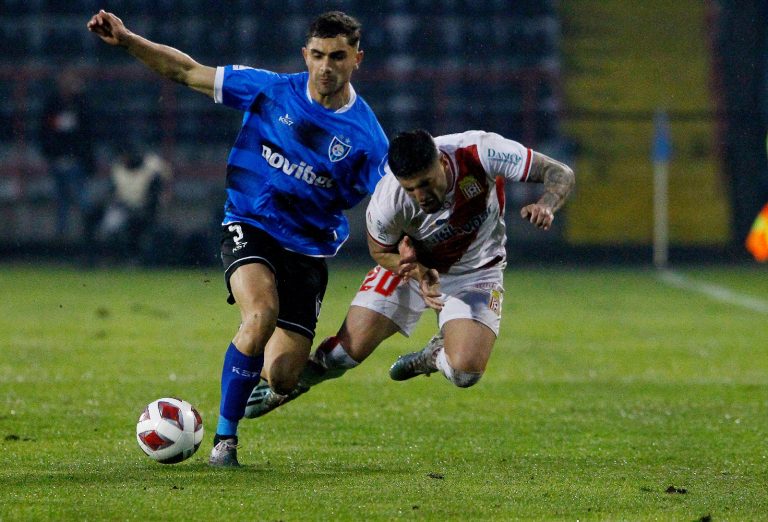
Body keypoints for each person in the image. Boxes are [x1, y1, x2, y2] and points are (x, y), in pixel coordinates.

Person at [87, 9, 388, 467]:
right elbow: (185, 70)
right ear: (305, 55)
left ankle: (273, 382)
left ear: (357, 60)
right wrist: (128, 40)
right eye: (319, 55)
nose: (327, 66)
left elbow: (389, 205)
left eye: (339, 57)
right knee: (260, 311)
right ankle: (225, 442)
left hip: (307, 249)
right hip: (249, 223)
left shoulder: (367, 137)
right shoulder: (270, 90)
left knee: (284, 376)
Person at [244, 128, 575, 417]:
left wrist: (546, 204)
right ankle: (291, 385)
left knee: (465, 373)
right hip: (412, 268)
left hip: (476, 272)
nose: (421, 196)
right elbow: (380, 251)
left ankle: (432, 357)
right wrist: (415, 270)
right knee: (344, 353)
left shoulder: (480, 151)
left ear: (443, 163)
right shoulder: (388, 199)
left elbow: (559, 172)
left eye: (427, 183)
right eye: (411, 188)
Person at [89, 141, 173, 265]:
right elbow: (112, 191)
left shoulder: (152, 164)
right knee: (98, 218)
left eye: (126, 156)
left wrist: (161, 195)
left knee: (135, 223)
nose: (124, 159)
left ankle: (134, 258)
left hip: (145, 209)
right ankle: (96, 257)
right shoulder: (118, 169)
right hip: (123, 208)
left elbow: (166, 179)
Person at [40, 67, 95, 239]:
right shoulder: (53, 103)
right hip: (58, 159)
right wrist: (51, 153)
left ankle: (89, 234)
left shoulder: (81, 103)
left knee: (82, 199)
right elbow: (45, 130)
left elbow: (88, 131)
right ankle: (61, 238)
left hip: (75, 159)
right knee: (61, 201)